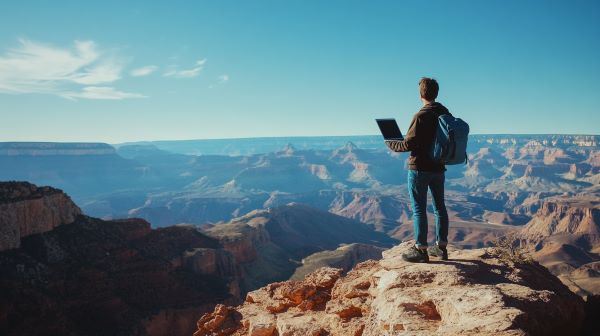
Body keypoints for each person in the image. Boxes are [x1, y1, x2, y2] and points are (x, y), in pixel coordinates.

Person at [386, 77, 450, 262]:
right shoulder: (445, 113)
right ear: (436, 93)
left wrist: (391, 144)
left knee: (419, 209)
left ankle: (421, 250)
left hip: (420, 169)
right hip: (438, 168)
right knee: (440, 207)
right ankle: (441, 248)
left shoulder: (420, 116)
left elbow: (408, 143)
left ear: (420, 94)